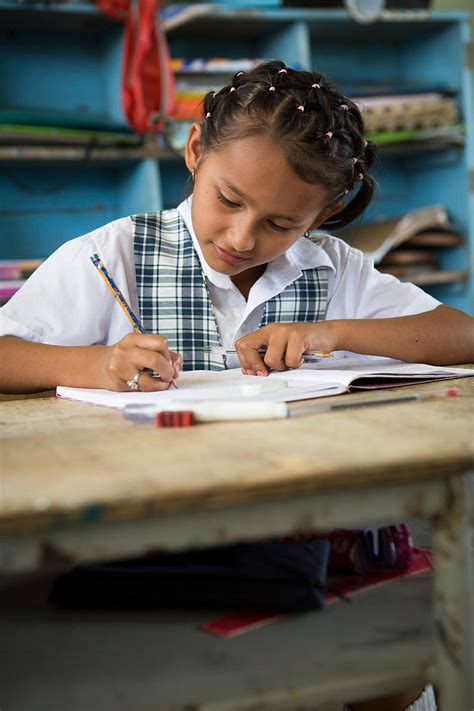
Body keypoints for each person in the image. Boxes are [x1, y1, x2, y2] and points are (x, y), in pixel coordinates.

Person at [0, 60, 472, 708]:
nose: (243, 236)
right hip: (166, 550)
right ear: (195, 151)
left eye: (282, 224)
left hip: (308, 542)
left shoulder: (331, 268)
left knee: (391, 670)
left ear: (325, 211)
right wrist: (90, 362)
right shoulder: (117, 255)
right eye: (229, 199)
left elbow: (461, 332)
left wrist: (331, 332)